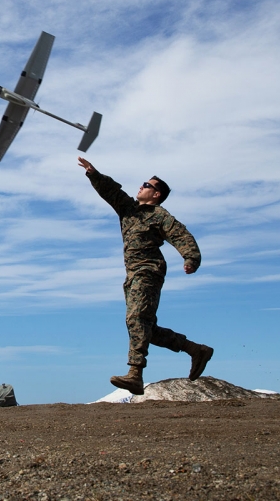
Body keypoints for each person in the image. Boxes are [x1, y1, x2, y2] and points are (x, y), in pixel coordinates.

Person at [78, 157, 213, 395]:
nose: (141, 186)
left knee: (137, 319)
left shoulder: (160, 215)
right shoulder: (128, 210)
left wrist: (191, 258)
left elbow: (181, 235)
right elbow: (112, 192)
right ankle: (195, 349)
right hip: (132, 275)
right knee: (144, 327)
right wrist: (93, 173)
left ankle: (135, 374)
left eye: (147, 185)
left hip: (149, 270)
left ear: (156, 195)